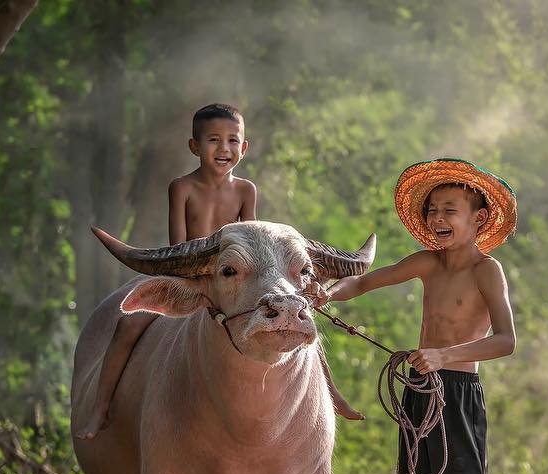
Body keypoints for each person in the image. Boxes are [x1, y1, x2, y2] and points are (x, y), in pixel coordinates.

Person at [309, 158, 523, 474]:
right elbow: (366, 283)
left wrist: (446, 356)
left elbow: (506, 340)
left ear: (478, 217)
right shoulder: (426, 263)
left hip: (457, 391)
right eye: (432, 210)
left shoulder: (485, 270)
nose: (438, 217)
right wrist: (324, 295)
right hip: (420, 392)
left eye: (449, 209)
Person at [76, 103, 360, 440]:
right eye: (213, 140)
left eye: (232, 141)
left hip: (243, 279)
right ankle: (101, 408)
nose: (223, 149)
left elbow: (258, 238)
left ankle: (333, 396)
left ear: (244, 147)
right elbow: (177, 247)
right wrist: (199, 277)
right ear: (194, 146)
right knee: (128, 323)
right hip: (196, 274)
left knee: (300, 320)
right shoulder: (181, 187)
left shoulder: (245, 189)